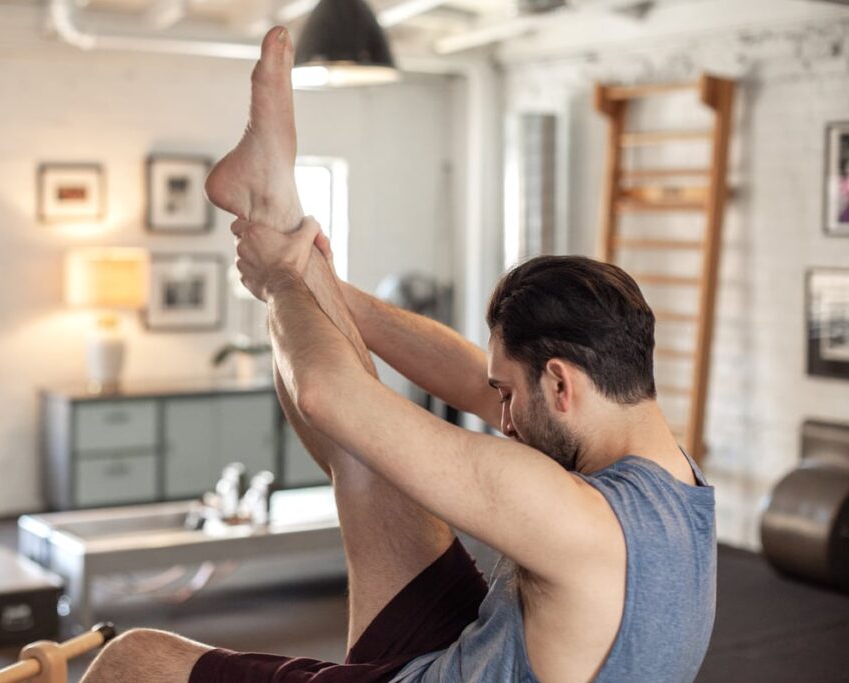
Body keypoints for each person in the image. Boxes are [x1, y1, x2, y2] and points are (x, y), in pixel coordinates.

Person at [80, 26, 716, 683]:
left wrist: (277, 281)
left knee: (132, 658)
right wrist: (322, 279)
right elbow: (470, 370)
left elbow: (328, 394)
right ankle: (274, 204)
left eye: (509, 396)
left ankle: (274, 212)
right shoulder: (672, 476)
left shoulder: (572, 517)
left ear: (559, 384)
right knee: (368, 461)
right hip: (477, 654)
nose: (502, 417)